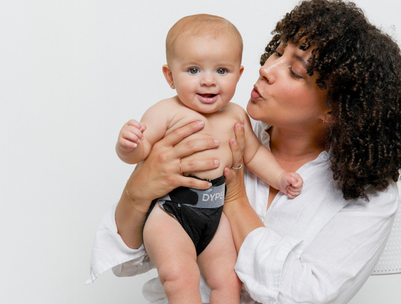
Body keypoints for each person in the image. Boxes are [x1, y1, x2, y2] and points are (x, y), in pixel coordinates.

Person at [87, 0, 401, 303]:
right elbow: (124, 263)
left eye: (294, 71)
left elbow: (306, 294)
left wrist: (236, 203)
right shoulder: (215, 130)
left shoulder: (369, 192)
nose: (266, 69)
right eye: (277, 51)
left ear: (334, 108)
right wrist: (138, 191)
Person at [114, 14, 302, 304]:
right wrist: (129, 146)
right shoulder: (165, 112)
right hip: (172, 211)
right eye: (193, 70)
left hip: (216, 213)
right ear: (170, 76)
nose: (208, 81)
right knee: (179, 276)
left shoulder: (237, 115)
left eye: (222, 71)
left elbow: (253, 154)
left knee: (229, 282)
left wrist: (279, 176)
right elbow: (141, 154)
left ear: (239, 75)